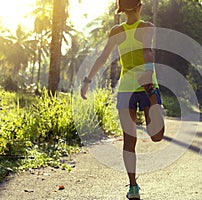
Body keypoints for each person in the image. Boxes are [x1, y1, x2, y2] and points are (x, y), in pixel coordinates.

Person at [81, 0, 165, 199]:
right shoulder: (147, 27)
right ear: (140, 7)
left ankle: (133, 186)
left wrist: (87, 80)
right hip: (146, 86)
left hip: (126, 88)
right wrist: (148, 76)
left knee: (129, 141)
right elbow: (147, 50)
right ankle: (154, 101)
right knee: (157, 136)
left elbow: (103, 57)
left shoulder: (116, 31)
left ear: (121, 10)